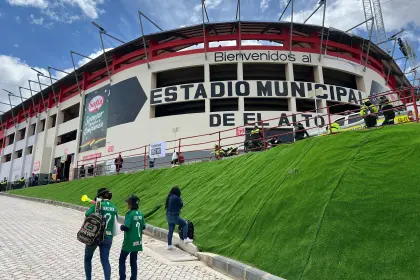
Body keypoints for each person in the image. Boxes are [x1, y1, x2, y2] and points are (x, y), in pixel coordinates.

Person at [84, 188, 118, 280]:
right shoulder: (114, 207)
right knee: (105, 261)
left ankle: (88, 278)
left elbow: (87, 214)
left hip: (95, 236)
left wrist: (96, 204)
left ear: (100, 196)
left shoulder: (98, 205)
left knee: (88, 258)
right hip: (108, 237)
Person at [119, 195, 145, 280]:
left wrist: (121, 227)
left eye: (128, 203)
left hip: (129, 242)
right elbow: (143, 226)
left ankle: (122, 278)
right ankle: (134, 278)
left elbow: (127, 227)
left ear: (131, 204)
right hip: (137, 241)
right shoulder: (141, 214)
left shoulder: (129, 214)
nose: (127, 205)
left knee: (122, 259)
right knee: (133, 260)